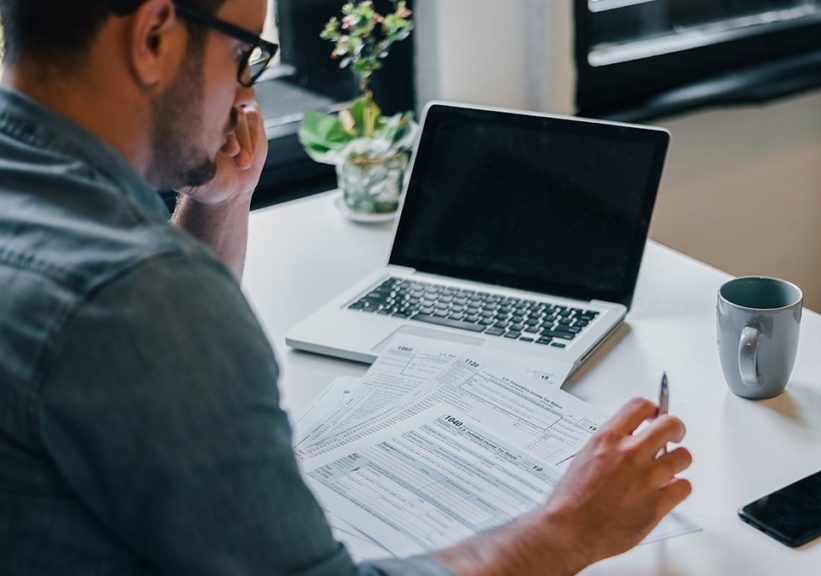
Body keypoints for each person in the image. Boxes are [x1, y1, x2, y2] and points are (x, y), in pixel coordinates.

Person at [0, 0, 694, 573]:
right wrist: (572, 525)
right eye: (245, 56)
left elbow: (124, 354)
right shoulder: (143, 297)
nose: (247, 92)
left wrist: (218, 203)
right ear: (153, 36)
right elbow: (139, 315)